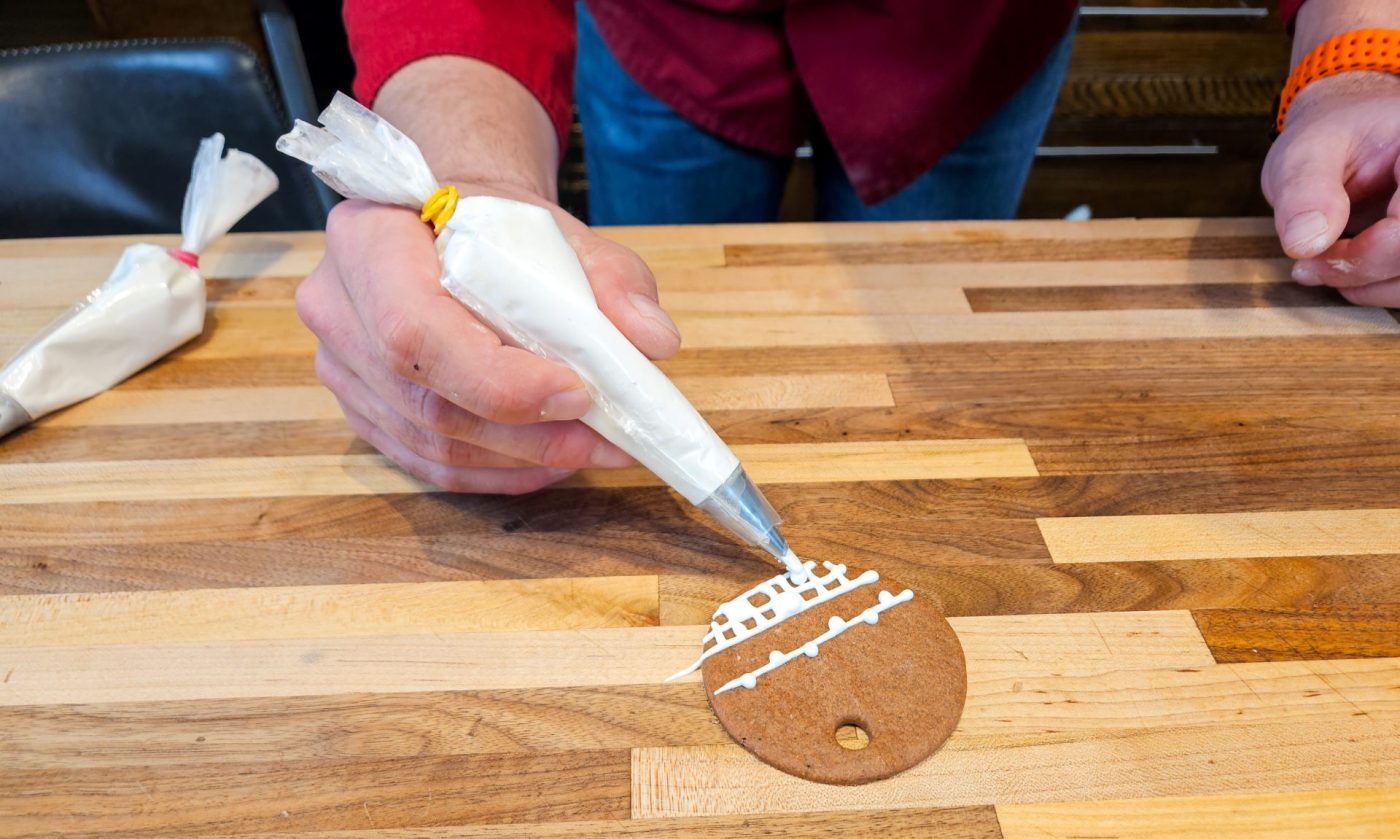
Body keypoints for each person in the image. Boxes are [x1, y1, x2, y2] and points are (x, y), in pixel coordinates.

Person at [294, 0, 1400, 496]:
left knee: (930, 354)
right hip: (670, 33)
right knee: (613, 325)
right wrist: (473, 178)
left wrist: (1355, 51)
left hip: (957, 43)